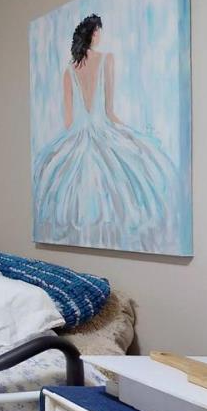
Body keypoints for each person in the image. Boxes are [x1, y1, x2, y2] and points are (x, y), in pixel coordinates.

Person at [32, 14, 179, 253]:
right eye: (98, 31)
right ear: (91, 34)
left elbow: (69, 121)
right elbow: (109, 111)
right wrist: (128, 130)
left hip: (77, 134)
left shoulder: (69, 70)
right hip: (101, 129)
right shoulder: (106, 60)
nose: (100, 36)